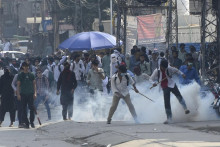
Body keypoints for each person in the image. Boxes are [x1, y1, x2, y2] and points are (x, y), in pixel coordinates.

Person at [150, 59, 190, 124]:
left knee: (179, 96)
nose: (164, 69)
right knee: (167, 102)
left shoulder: (168, 68)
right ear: (160, 66)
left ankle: (185, 108)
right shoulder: (156, 71)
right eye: (163, 67)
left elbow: (177, 70)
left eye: (165, 68)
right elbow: (151, 79)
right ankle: (169, 118)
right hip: (164, 87)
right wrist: (153, 83)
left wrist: (182, 74)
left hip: (172, 84)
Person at [17, 62, 37, 128]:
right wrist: (18, 94)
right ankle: (27, 123)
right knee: (23, 109)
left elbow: (34, 85)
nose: (26, 68)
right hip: (23, 94)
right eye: (24, 66)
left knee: (31, 109)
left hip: (30, 94)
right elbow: (18, 85)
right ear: (22, 67)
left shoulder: (31, 74)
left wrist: (35, 93)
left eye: (27, 66)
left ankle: (32, 122)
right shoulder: (20, 75)